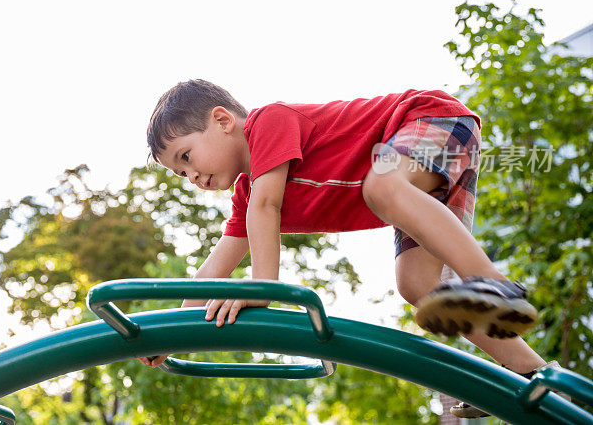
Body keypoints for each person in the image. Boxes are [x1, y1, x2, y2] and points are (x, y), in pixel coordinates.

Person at [139, 79, 551, 418]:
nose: (191, 175)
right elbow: (215, 268)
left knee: (383, 187)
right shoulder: (249, 196)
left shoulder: (267, 124)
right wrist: (169, 335)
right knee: (417, 284)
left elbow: (268, 206)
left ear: (223, 120)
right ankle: (531, 372)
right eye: (181, 171)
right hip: (419, 183)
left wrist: (262, 287)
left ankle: (494, 285)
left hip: (431, 121)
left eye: (187, 156)